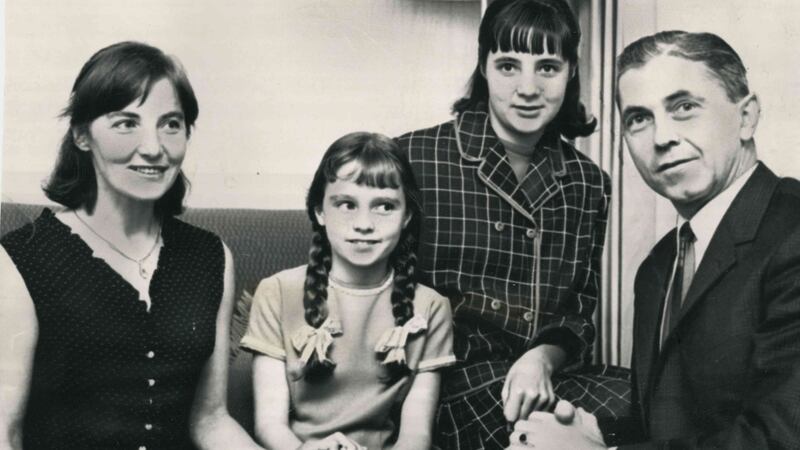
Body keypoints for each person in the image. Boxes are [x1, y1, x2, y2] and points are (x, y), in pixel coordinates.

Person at [512, 30, 800, 449]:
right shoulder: (659, 265)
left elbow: (782, 438)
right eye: (639, 118)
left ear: (746, 116)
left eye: (684, 107)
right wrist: (599, 434)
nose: (661, 137)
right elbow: (677, 431)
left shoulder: (793, 233)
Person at [0, 42, 261, 450]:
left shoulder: (212, 257)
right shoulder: (20, 260)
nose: (154, 147)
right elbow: (5, 431)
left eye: (171, 124)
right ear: (82, 135)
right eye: (126, 123)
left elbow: (209, 420)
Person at [396, 0, 631, 448]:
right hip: (444, 388)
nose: (528, 88)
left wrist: (542, 359)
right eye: (508, 66)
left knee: (673, 406)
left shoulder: (588, 182)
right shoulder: (412, 158)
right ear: (483, 67)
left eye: (547, 67)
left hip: (548, 378)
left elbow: (578, 316)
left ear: (571, 71)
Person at [241, 132, 456, 450]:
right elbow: (269, 424)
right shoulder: (277, 292)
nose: (364, 224)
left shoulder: (430, 307)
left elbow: (416, 436)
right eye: (347, 204)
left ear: (407, 215)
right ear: (320, 211)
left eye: (384, 206)